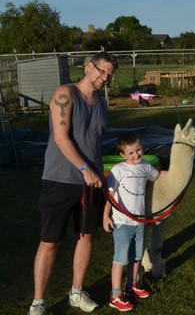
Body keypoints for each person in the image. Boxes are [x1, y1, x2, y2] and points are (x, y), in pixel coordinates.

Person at [29, 52, 118, 315]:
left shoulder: (101, 103)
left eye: (110, 74)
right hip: (60, 180)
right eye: (102, 71)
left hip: (91, 185)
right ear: (89, 67)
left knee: (86, 237)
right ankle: (38, 302)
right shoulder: (65, 95)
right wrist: (84, 169)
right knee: (50, 241)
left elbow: (95, 144)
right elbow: (61, 138)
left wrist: (100, 176)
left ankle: (76, 292)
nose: (105, 78)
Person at [103, 132, 164, 311]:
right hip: (122, 222)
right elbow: (111, 195)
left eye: (139, 150)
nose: (136, 155)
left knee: (137, 256)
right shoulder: (118, 170)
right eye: (131, 153)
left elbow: (158, 176)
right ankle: (115, 295)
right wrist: (106, 216)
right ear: (122, 155)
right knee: (120, 258)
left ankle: (132, 285)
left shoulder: (145, 166)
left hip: (140, 221)